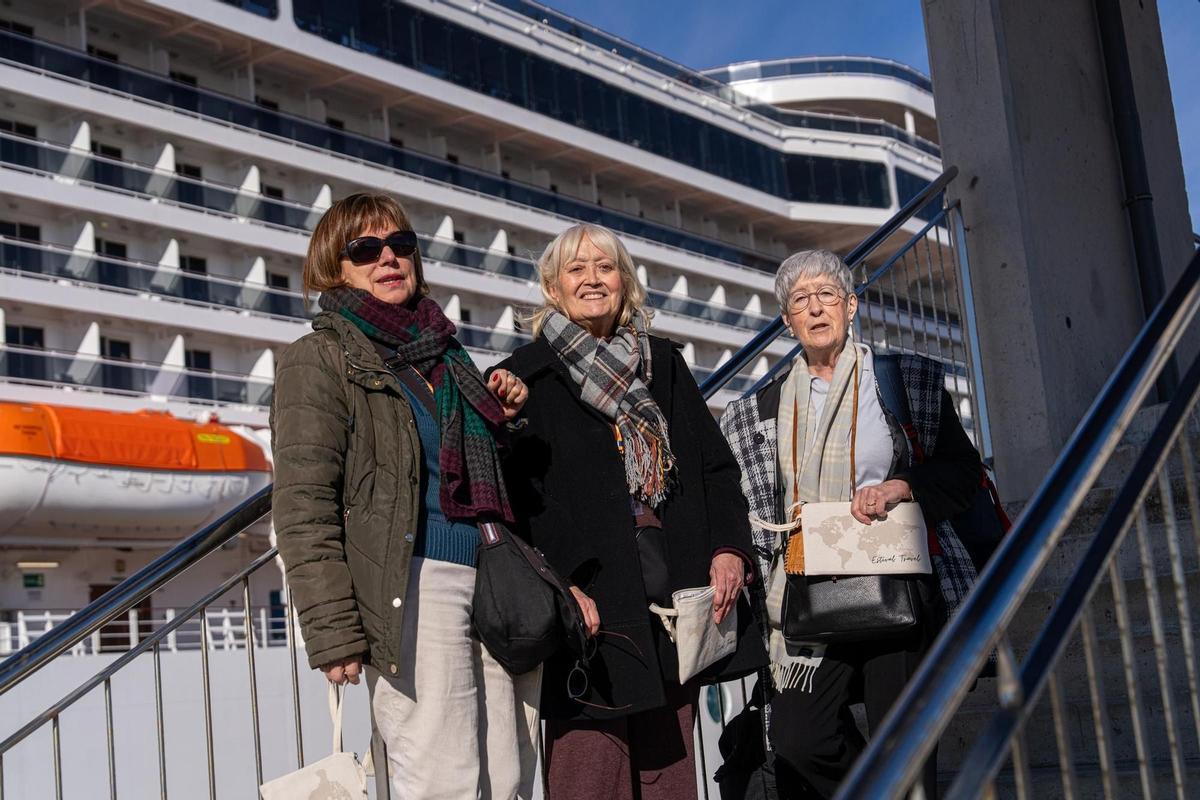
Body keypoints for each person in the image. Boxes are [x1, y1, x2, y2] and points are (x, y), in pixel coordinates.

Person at [271, 192, 539, 799]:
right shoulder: (320, 359)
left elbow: (479, 476)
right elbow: (303, 504)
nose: (388, 258)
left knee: (509, 772)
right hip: (413, 583)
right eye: (365, 249)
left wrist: (506, 420)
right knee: (442, 777)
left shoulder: (444, 353)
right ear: (333, 266)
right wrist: (334, 631)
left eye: (401, 245)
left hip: (493, 576)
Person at [496, 223, 767, 800]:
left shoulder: (663, 365)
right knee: (588, 775)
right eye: (577, 269)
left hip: (672, 599)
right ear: (552, 287)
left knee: (670, 776)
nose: (593, 279)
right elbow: (520, 493)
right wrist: (564, 582)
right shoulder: (527, 376)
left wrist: (728, 549)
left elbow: (716, 470)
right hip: (589, 604)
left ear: (625, 282)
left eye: (605, 266)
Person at [720, 249, 982, 799]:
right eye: (800, 300)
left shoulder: (903, 381)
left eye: (827, 295)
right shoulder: (757, 410)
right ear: (787, 320)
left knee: (903, 738)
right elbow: (749, 506)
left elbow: (962, 473)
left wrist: (902, 485)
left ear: (851, 305)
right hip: (809, 591)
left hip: (896, 585)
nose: (815, 308)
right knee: (798, 739)